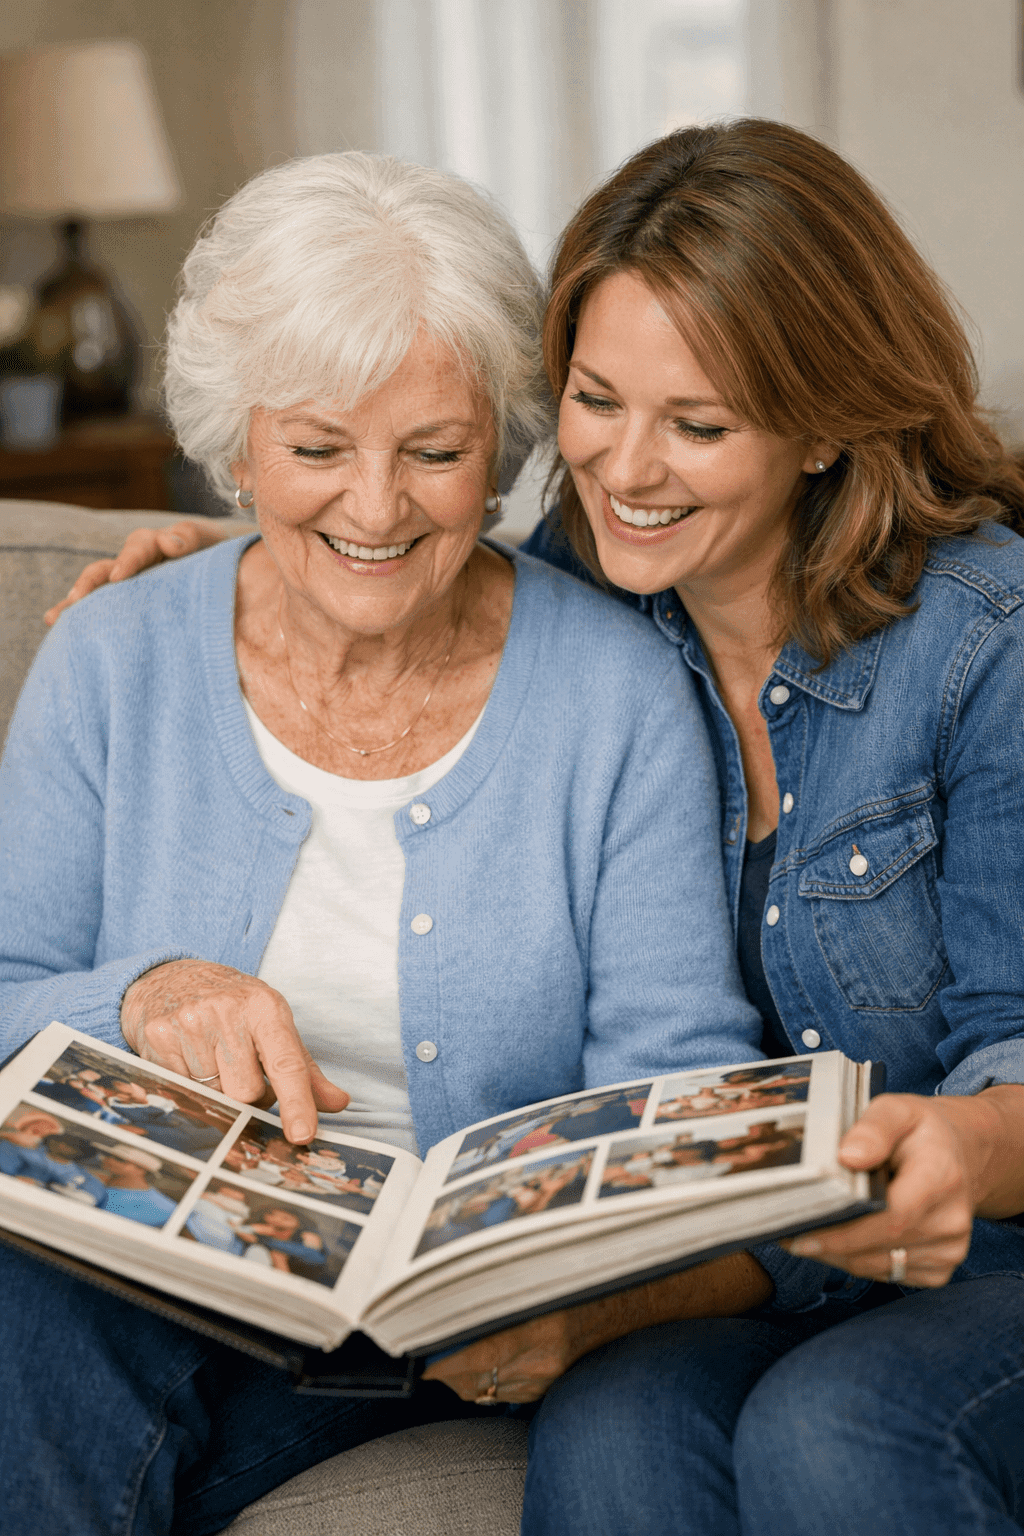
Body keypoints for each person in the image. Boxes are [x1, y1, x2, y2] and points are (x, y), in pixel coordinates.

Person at [41, 121, 1024, 1533]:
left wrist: (958, 1148)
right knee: (616, 1434)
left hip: (968, 1239)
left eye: (699, 425)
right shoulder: (612, 582)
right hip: (769, 1255)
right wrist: (239, 554)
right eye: (595, 400)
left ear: (822, 426)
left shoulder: (981, 645)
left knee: (833, 1430)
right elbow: (396, 538)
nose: (628, 468)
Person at [0, 150, 760, 1535]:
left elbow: (678, 1079)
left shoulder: (614, 691)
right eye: (315, 450)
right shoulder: (114, 658)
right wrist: (146, 995)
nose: (375, 508)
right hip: (130, 1285)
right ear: (236, 445)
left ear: (507, 443)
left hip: (428, 1340)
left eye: (434, 451)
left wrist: (549, 1278)